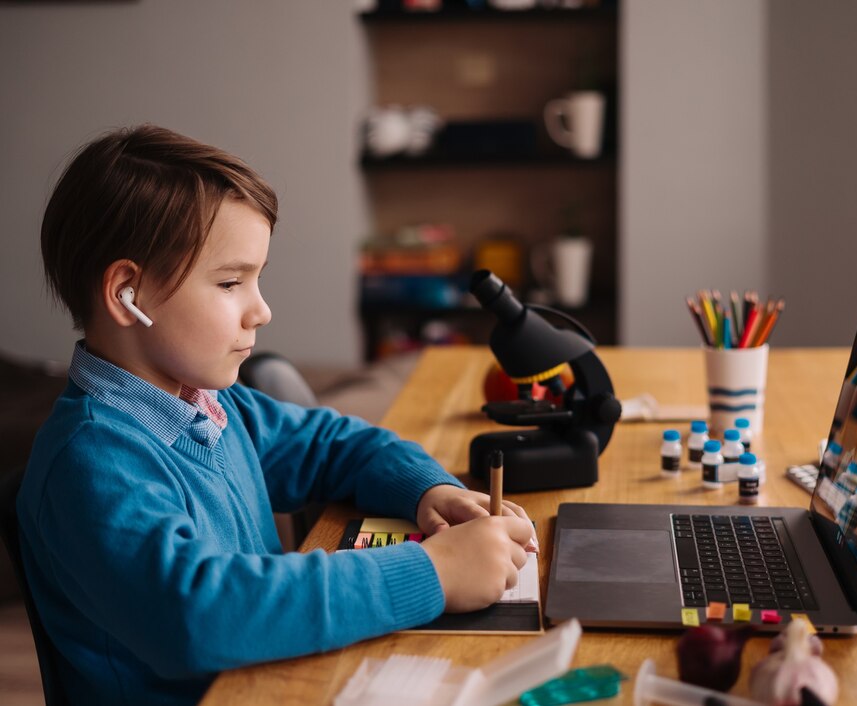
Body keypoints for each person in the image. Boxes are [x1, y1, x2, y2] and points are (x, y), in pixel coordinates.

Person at [19, 124, 535, 706]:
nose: (261, 310)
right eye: (231, 282)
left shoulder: (210, 405)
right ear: (127, 296)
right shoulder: (91, 465)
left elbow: (334, 444)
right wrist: (432, 573)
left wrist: (428, 489)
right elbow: (202, 615)